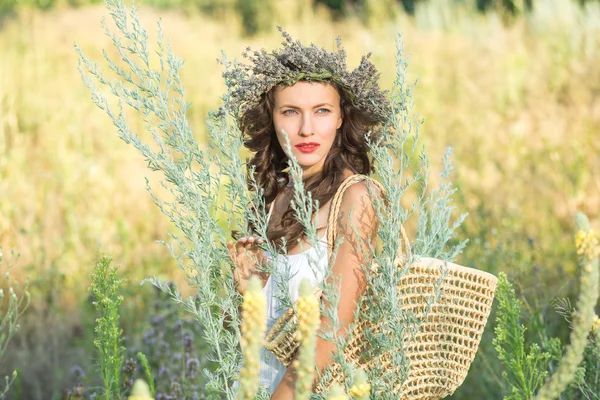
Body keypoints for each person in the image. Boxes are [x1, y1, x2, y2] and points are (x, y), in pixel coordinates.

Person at [225, 28, 390, 398]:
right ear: (272, 118)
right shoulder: (273, 196)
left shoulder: (357, 196)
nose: (306, 129)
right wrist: (248, 290)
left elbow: (330, 332)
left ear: (340, 119)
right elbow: (256, 334)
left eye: (321, 111)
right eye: (290, 112)